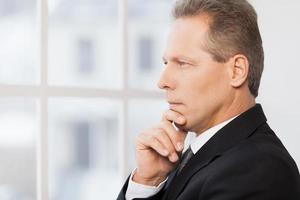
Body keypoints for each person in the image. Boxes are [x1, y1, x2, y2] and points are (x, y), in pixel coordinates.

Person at [117, 0, 300, 199]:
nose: (162, 82)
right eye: (166, 63)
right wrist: (148, 182)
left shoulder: (260, 169)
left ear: (237, 71)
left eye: (183, 63)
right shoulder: (193, 157)